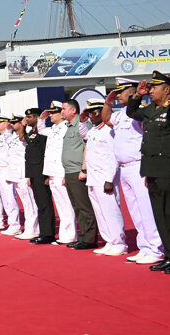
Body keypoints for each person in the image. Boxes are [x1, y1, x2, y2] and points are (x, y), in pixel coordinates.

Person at [126, 71, 170, 274]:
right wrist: (138, 95)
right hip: (152, 171)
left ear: (167, 90)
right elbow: (131, 113)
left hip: (169, 170)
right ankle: (169, 256)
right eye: (150, 88)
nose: (150, 91)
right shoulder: (151, 109)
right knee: (160, 216)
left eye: (154, 88)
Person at [102, 78, 164, 265]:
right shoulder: (121, 114)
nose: (118, 94)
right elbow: (106, 119)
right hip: (125, 168)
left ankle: (156, 248)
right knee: (136, 212)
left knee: (147, 210)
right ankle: (145, 246)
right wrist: (108, 103)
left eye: (122, 91)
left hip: (139, 165)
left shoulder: (143, 112)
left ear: (134, 92)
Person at [82, 99, 127, 256]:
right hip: (94, 177)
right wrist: (82, 120)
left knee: (111, 210)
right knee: (100, 211)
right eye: (90, 113)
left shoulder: (109, 130)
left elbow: (112, 156)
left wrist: (109, 179)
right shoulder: (93, 131)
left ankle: (119, 242)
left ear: (103, 112)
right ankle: (109, 240)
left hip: (105, 177)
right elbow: (83, 134)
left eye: (94, 113)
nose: (91, 116)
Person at [61, 99, 98, 250]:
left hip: (78, 171)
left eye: (64, 109)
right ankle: (83, 236)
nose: (62, 111)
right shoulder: (69, 126)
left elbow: (87, 147)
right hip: (69, 172)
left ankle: (89, 238)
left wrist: (84, 169)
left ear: (73, 110)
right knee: (77, 206)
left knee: (84, 206)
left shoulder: (82, 126)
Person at [40, 102, 77, 244]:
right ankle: (64, 234)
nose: (50, 115)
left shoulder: (66, 128)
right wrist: (41, 119)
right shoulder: (54, 128)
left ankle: (70, 235)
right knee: (60, 205)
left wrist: (65, 173)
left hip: (61, 171)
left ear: (61, 114)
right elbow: (41, 129)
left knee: (66, 204)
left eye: (52, 113)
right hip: (52, 171)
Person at [24, 108, 55, 244]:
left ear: (37, 117)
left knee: (45, 204)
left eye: (30, 116)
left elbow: (45, 154)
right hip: (34, 172)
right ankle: (44, 232)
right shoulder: (32, 132)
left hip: (42, 172)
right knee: (40, 204)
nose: (27, 119)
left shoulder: (43, 134)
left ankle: (48, 234)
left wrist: (47, 174)